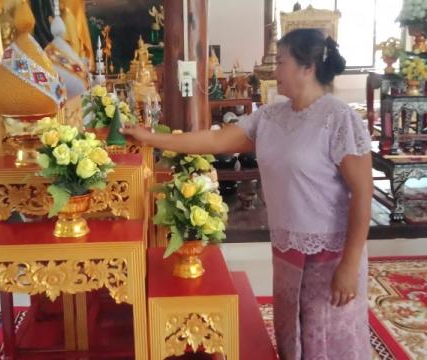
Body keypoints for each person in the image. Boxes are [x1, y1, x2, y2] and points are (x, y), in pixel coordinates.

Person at [121, 28, 372, 359]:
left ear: (306, 67)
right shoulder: (270, 116)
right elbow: (213, 141)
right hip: (287, 251)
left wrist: (350, 264)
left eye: (280, 62)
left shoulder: (339, 119)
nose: (272, 70)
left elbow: (363, 193)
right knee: (292, 338)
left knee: (328, 342)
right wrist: (151, 138)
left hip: (330, 255)